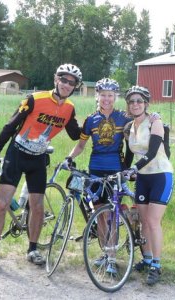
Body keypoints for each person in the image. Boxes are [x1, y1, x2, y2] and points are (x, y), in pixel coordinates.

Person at [0, 63, 83, 275]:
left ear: (75, 86)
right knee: (2, 203)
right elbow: (10, 126)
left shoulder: (69, 109)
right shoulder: (35, 99)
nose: (66, 84)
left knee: (37, 206)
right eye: (63, 80)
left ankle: (32, 249)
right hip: (17, 154)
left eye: (71, 82)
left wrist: (96, 124)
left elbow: (75, 134)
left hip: (38, 159)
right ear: (56, 79)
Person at [65, 78, 132, 275]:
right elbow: (80, 145)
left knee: (112, 215)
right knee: (101, 215)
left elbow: (135, 139)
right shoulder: (91, 120)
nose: (106, 99)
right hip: (95, 170)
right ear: (98, 96)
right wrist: (69, 158)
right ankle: (105, 252)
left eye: (110, 96)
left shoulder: (124, 118)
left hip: (116, 169)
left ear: (115, 97)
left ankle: (112, 258)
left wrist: (153, 118)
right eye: (103, 95)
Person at [123, 85, 174, 285]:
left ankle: (157, 265)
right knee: (143, 221)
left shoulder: (155, 122)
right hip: (143, 178)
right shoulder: (129, 128)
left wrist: (134, 169)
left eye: (139, 101)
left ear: (146, 104)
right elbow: (128, 157)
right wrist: (124, 171)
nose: (135, 104)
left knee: (153, 222)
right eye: (132, 101)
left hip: (161, 175)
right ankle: (147, 258)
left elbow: (152, 153)